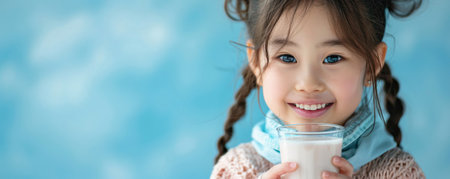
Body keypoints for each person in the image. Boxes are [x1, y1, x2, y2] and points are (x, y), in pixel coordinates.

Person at [211, 0, 426, 178]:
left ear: (372, 65)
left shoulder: (399, 172)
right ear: (256, 64)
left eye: (332, 58)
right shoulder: (235, 170)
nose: (308, 84)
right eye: (287, 57)